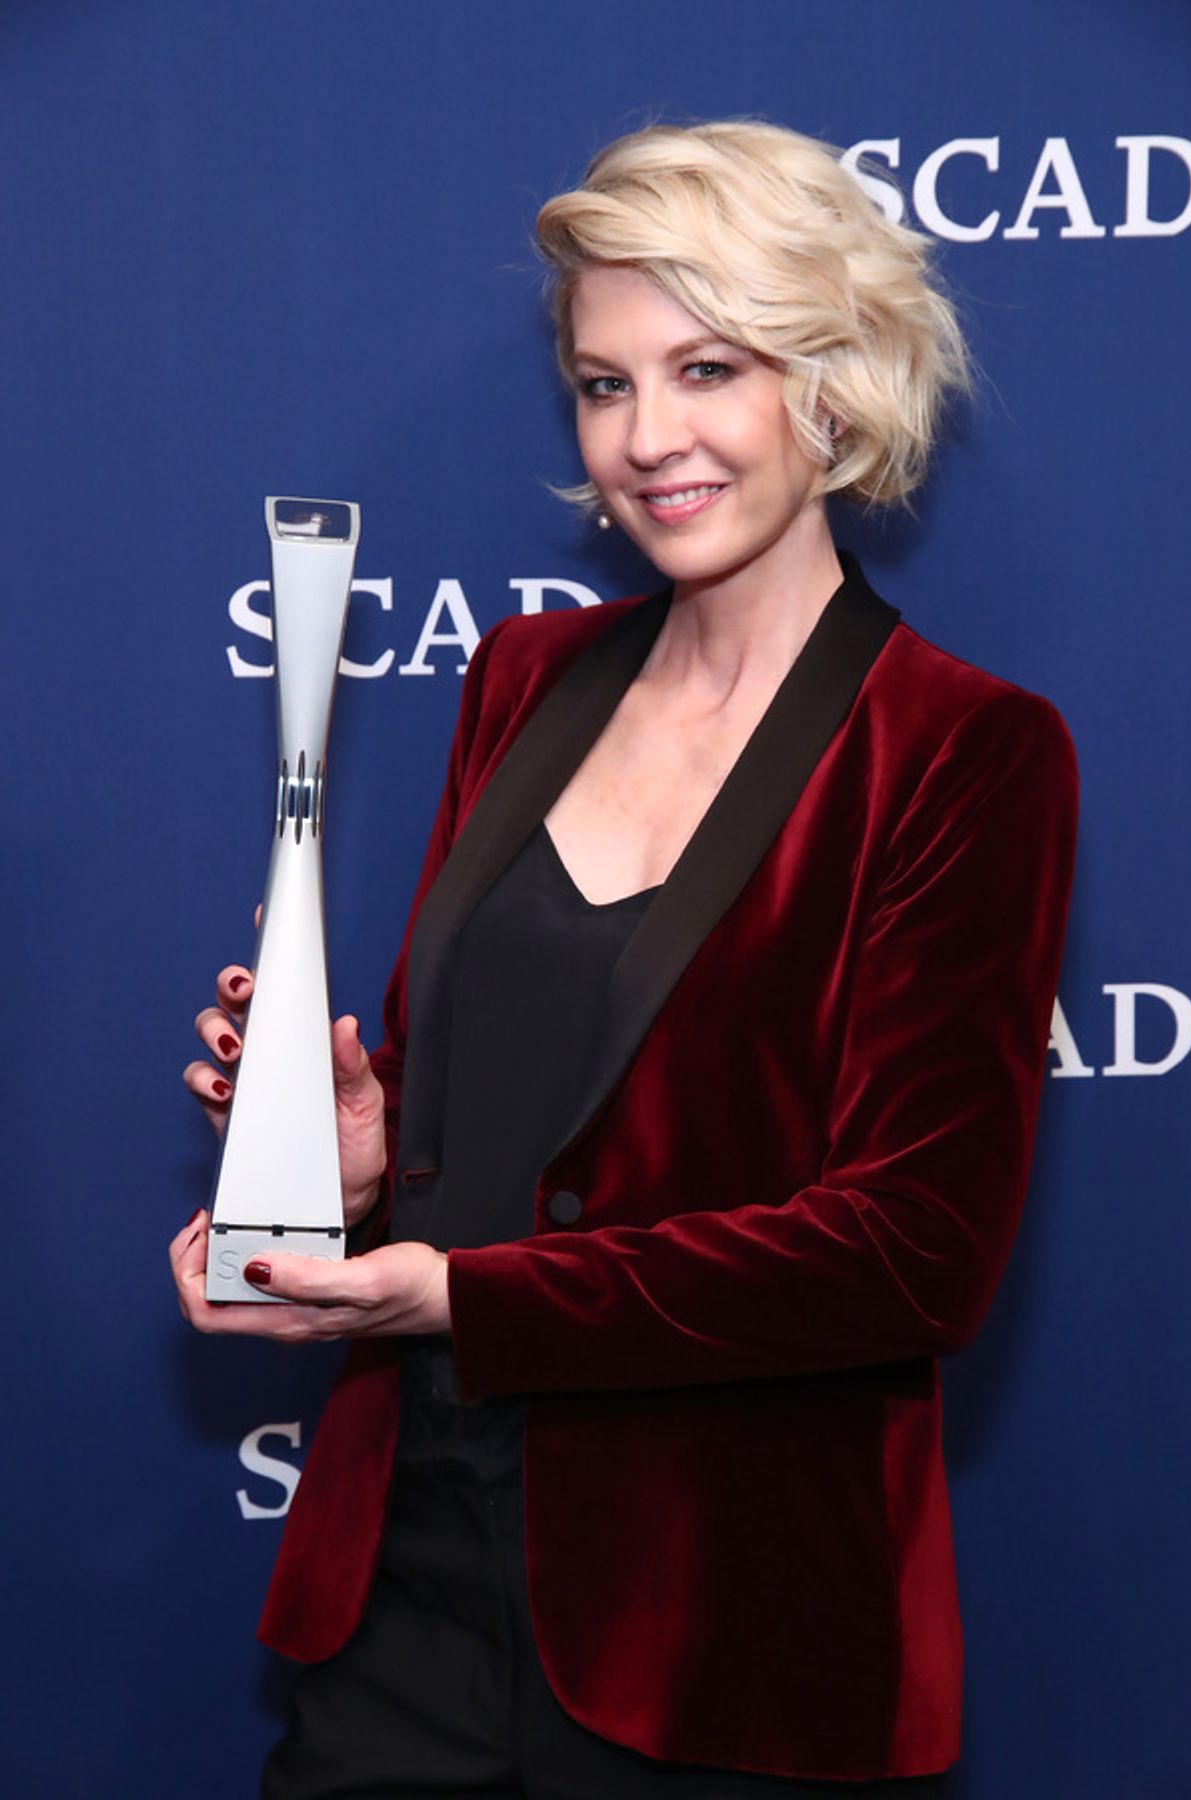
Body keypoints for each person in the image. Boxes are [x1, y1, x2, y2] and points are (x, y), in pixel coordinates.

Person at [172, 121, 1077, 1796]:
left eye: (707, 369)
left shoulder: (960, 748)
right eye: (605, 384)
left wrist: (466, 1293)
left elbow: (914, 1256)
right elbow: (508, 1118)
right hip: (406, 1584)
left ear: (834, 383)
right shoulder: (524, 678)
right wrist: (360, 1170)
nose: (648, 438)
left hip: (725, 1636)